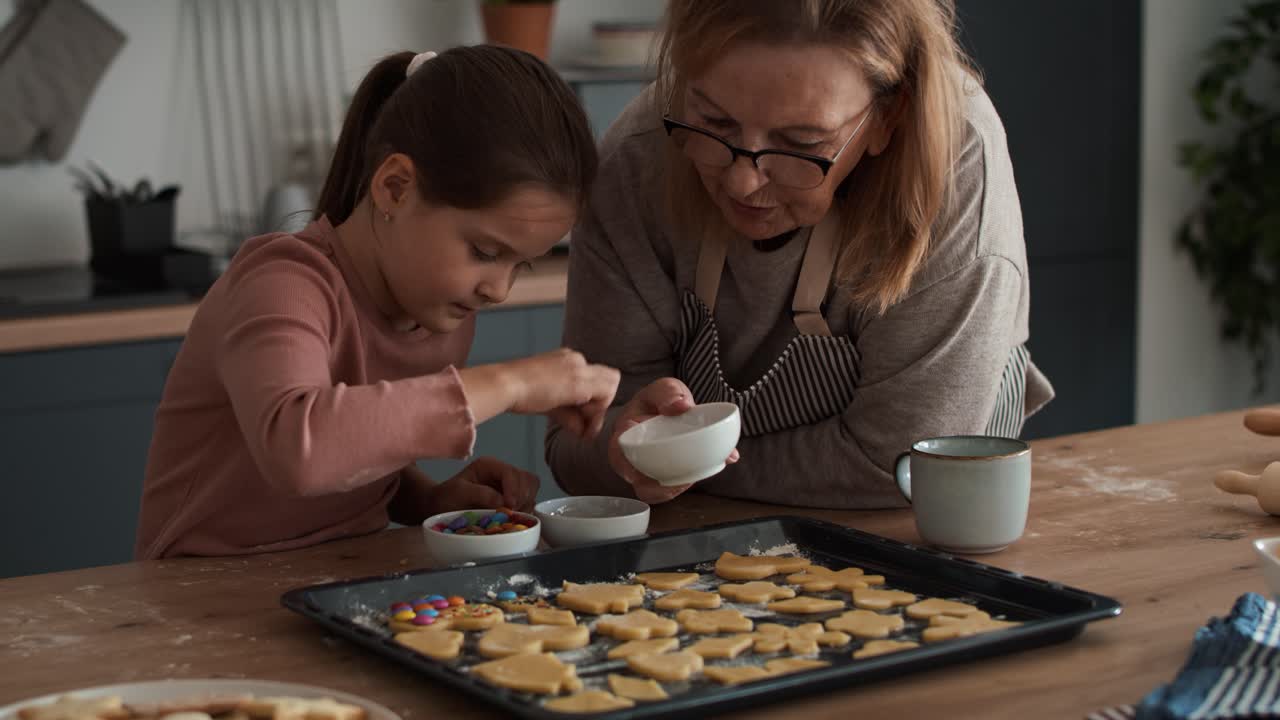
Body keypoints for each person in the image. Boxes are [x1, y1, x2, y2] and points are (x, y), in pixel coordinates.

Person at [546, 0, 1053, 507]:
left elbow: (908, 464)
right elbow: (577, 443)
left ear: (887, 116)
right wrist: (619, 451)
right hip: (685, 546)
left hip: (905, 538)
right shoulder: (639, 158)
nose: (744, 181)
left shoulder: (953, 164)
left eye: (800, 141)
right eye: (715, 123)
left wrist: (679, 461)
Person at [135, 46, 619, 559]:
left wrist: (422, 498)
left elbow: (359, 444)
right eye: (484, 251)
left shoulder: (438, 315)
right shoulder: (280, 281)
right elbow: (300, 449)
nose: (497, 289)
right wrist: (508, 382)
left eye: (519, 265)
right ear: (395, 188)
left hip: (335, 574)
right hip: (199, 594)